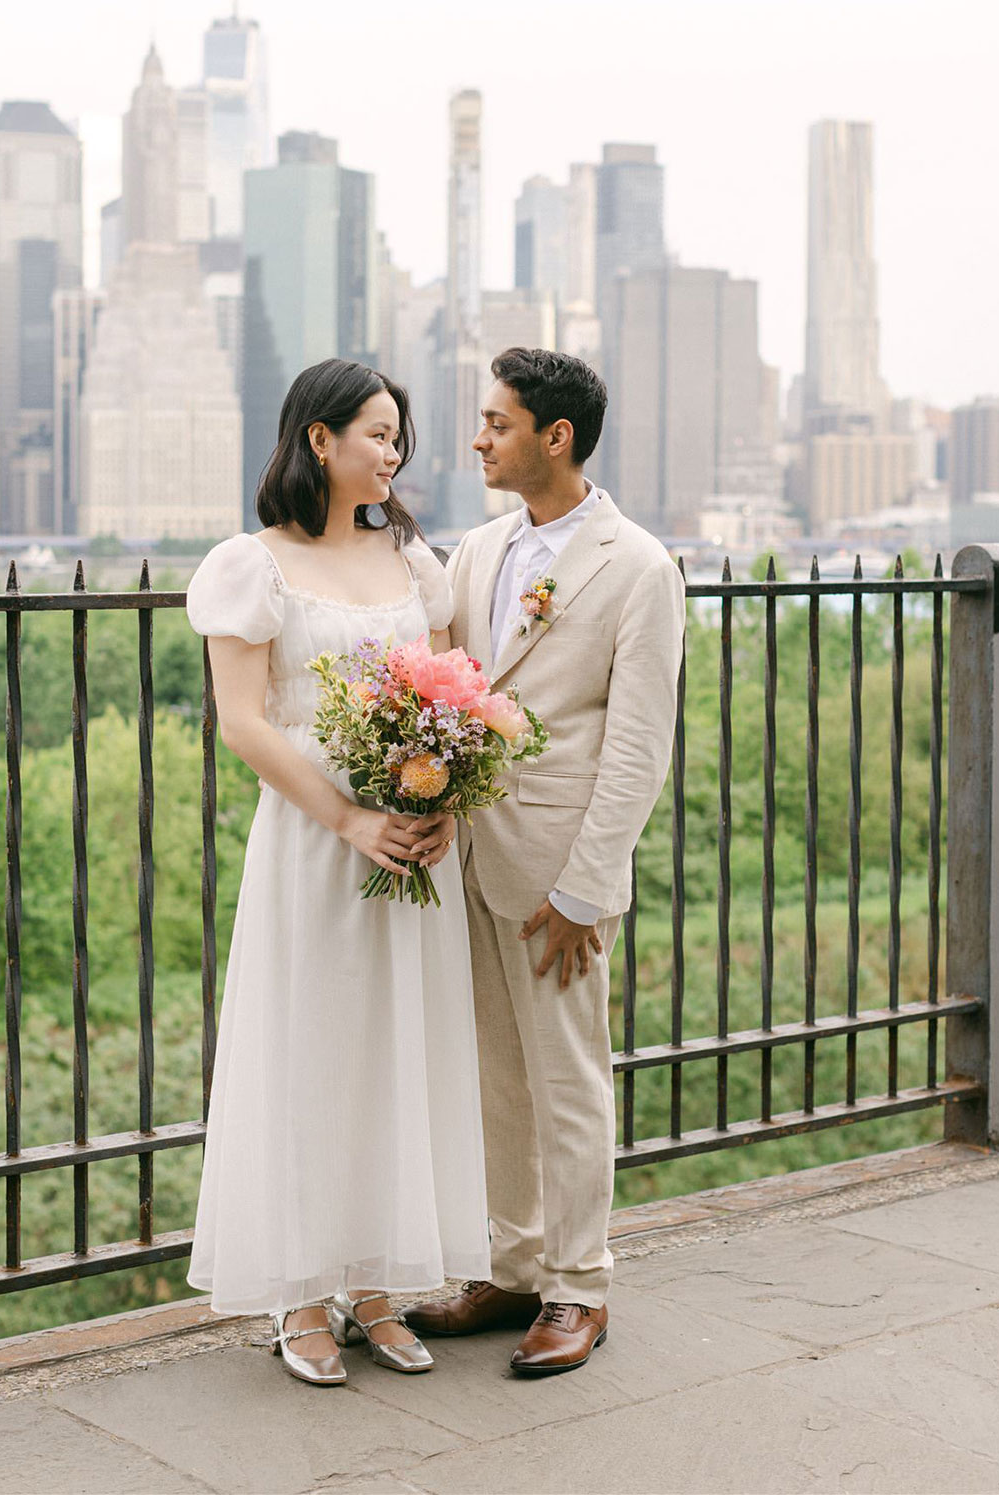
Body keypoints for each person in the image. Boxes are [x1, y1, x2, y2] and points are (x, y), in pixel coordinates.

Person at [185, 359, 490, 1386]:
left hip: (410, 838)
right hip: (317, 839)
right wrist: (349, 818)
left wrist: (441, 801)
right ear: (320, 439)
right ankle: (301, 1294)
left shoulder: (415, 559)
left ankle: (373, 1283)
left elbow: (453, 692)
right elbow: (243, 719)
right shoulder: (252, 564)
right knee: (311, 1049)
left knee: (395, 1049)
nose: (393, 451)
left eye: (399, 436)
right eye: (376, 432)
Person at [404, 347, 685, 1375]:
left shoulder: (639, 566)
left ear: (554, 436)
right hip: (472, 857)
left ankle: (579, 1284)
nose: (477, 437)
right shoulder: (480, 550)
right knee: (496, 1077)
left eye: (496, 421)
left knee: (568, 1079)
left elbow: (638, 746)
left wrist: (586, 886)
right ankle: (510, 1264)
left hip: (560, 873)